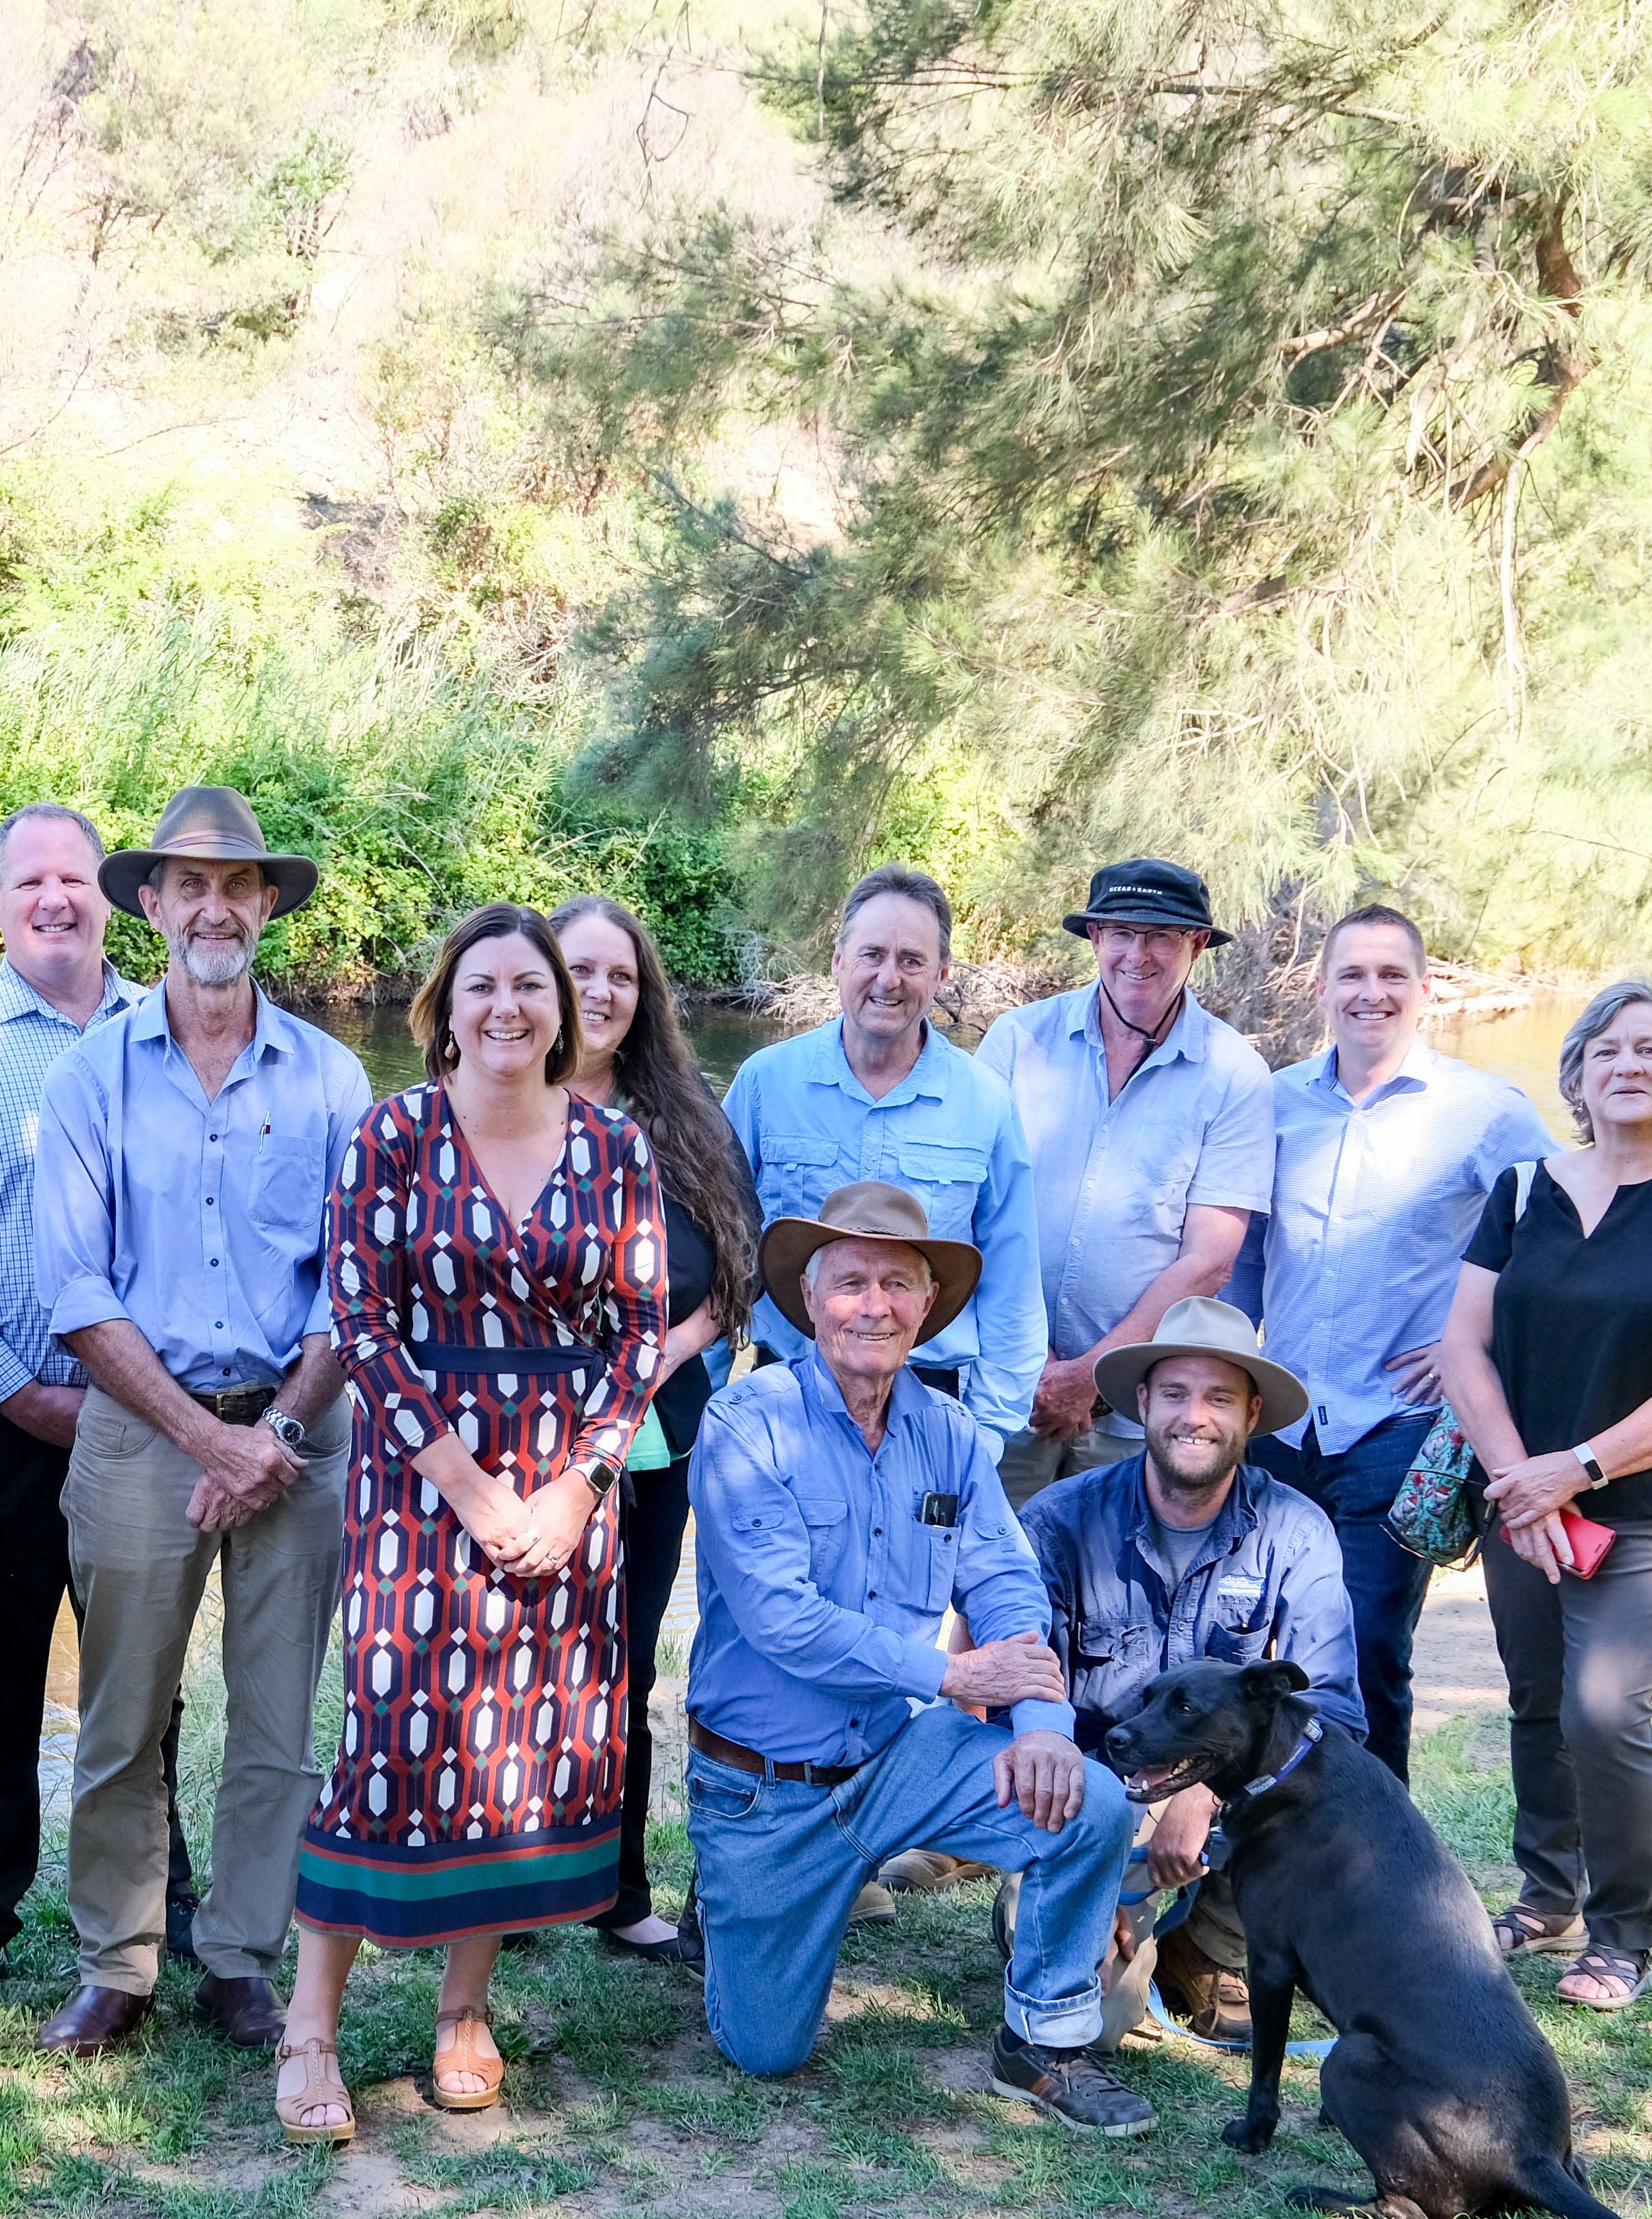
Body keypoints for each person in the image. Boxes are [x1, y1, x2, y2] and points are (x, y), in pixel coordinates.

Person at [272, 907, 667, 2142]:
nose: (508, 1007)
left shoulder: (615, 1146)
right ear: (444, 1006)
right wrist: (466, 1484)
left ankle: (464, 2009)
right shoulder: (392, 1135)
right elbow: (361, 1321)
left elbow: (641, 1334)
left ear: (563, 1011)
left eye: (531, 986)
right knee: (392, 1733)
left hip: (562, 1487)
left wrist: (578, 1487)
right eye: (483, 985)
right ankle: (310, 2027)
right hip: (419, 1479)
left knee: (511, 1741)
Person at [680, 1181, 1150, 2133]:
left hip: (896, 1761)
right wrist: (951, 1676)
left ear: (928, 1306)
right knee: (764, 2049)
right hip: (765, 1788)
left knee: (1089, 1800)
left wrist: (1043, 1726)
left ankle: (1043, 2043)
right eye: (851, 1282)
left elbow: (1007, 1584)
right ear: (809, 1298)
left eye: (898, 1283)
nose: (875, 1306)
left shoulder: (949, 1432)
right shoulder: (745, 1422)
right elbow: (781, 1619)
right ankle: (741, 1909)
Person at [33, 786, 372, 2054]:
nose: (214, 907)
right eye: (190, 885)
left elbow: (357, 1282)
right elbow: (76, 1291)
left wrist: (272, 1435)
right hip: (142, 1433)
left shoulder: (332, 1077)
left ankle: (239, 1957)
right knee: (123, 1716)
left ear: (267, 905)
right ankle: (117, 1964)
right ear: (154, 906)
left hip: (303, 1432)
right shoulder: (92, 1076)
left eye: (237, 885)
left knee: (278, 1723)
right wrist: (206, 1438)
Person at [0, 803, 211, 2001]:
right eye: (30, 882)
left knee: (142, 1674)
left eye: (75, 879)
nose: (55, 900)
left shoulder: (168, 1031)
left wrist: (155, 1399)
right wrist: (16, 1390)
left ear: (112, 899)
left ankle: (160, 1899)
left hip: (146, 1415)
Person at [1435, 976, 1652, 2015]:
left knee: (1604, 1709)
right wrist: (1520, 1483)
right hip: (1522, 1504)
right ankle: (1549, 1899)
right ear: (1577, 1075)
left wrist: (1575, 1470)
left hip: (1647, 1511)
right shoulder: (1522, 1193)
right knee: (1539, 1700)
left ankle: (1625, 1934)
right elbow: (1463, 1345)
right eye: (1607, 1050)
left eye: (1650, 1050)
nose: (1627, 1065)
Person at [1235, 905, 1554, 1777]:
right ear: (1320, 987)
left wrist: (1473, 1344)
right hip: (1280, 1418)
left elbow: (1557, 1241)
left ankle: (1382, 1843)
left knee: (1368, 1641)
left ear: (1424, 988)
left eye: (1390, 976)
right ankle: (1257, 1830)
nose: (1370, 993)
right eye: (1352, 974)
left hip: (1398, 1424)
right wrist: (1221, 1367)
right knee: (1256, 1639)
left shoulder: (1484, 1111)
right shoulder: (1273, 1102)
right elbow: (1247, 1254)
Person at [1014, 1297, 1363, 2046]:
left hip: (1233, 1808)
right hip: (1094, 1796)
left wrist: (1205, 1789)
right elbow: (1024, 1689)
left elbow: (1336, 1711)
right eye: (1175, 1393)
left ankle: (1212, 1945)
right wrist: (1096, 1865)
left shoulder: (1297, 1530)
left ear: (1252, 1413)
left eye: (1219, 1398)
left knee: (1322, 1782)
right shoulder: (1059, 1519)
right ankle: (1088, 1919)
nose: (1194, 1416)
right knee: (1091, 2021)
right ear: (1142, 1401)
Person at [548, 894, 756, 1967]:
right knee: (518, 1662)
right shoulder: (497, 1096)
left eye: (621, 976)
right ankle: (507, 1882)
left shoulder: (683, 1112)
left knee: (622, 1662)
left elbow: (737, 1269)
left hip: (656, 1432)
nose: (601, 991)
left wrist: (660, 1358)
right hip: (519, 1437)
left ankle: (618, 1893)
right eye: (580, 969)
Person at [973, 859, 1274, 1503]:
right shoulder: (1017, 1040)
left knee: (1116, 1565)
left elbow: (1210, 1259)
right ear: (1095, 938)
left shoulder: (1234, 1073)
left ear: (1196, 945)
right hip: (1005, 1385)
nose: (1138, 955)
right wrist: (1036, 1364)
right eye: (1122, 933)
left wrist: (1091, 1376)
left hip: (1136, 1412)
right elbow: (970, 1209)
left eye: (1161, 935)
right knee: (987, 1562)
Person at [721, 866, 1042, 1427]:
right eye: (872, 955)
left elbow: (1011, 1281)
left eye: (911, 961)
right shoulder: (764, 1083)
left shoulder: (986, 1103)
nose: (888, 979)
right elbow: (719, 1247)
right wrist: (704, 1402)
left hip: (926, 1396)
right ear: (838, 961)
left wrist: (988, 1430)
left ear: (942, 974)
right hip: (785, 1395)